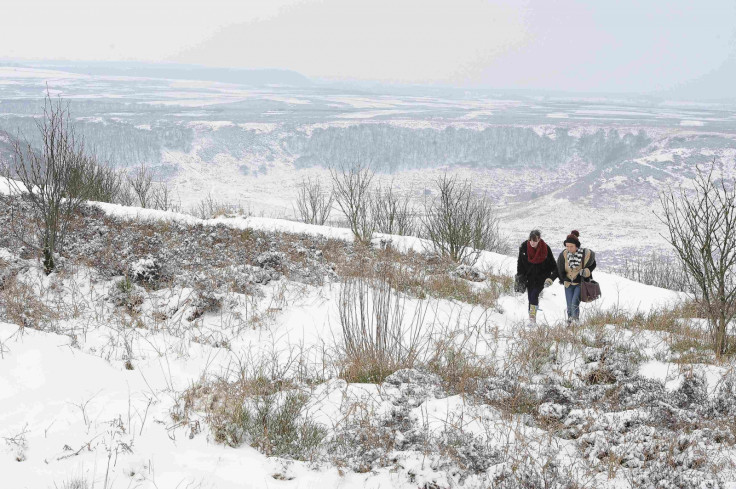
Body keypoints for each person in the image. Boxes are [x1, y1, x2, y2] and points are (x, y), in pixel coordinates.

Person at [516, 229, 557, 325]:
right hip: (529, 277)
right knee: (531, 297)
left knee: (534, 294)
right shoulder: (524, 247)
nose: (532, 242)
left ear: (539, 240)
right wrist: (520, 276)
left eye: (535, 240)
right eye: (531, 240)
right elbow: (520, 263)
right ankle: (531, 318)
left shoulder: (545, 248)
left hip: (541, 277)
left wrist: (550, 278)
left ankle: (532, 318)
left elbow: (553, 265)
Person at [555, 230, 596, 326]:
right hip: (568, 284)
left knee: (574, 304)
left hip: (579, 284)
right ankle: (569, 323)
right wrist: (563, 278)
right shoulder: (564, 254)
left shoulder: (585, 254)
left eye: (571, 246)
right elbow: (559, 267)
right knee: (569, 305)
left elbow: (593, 264)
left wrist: (586, 272)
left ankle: (576, 322)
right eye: (567, 246)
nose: (569, 248)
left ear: (576, 245)